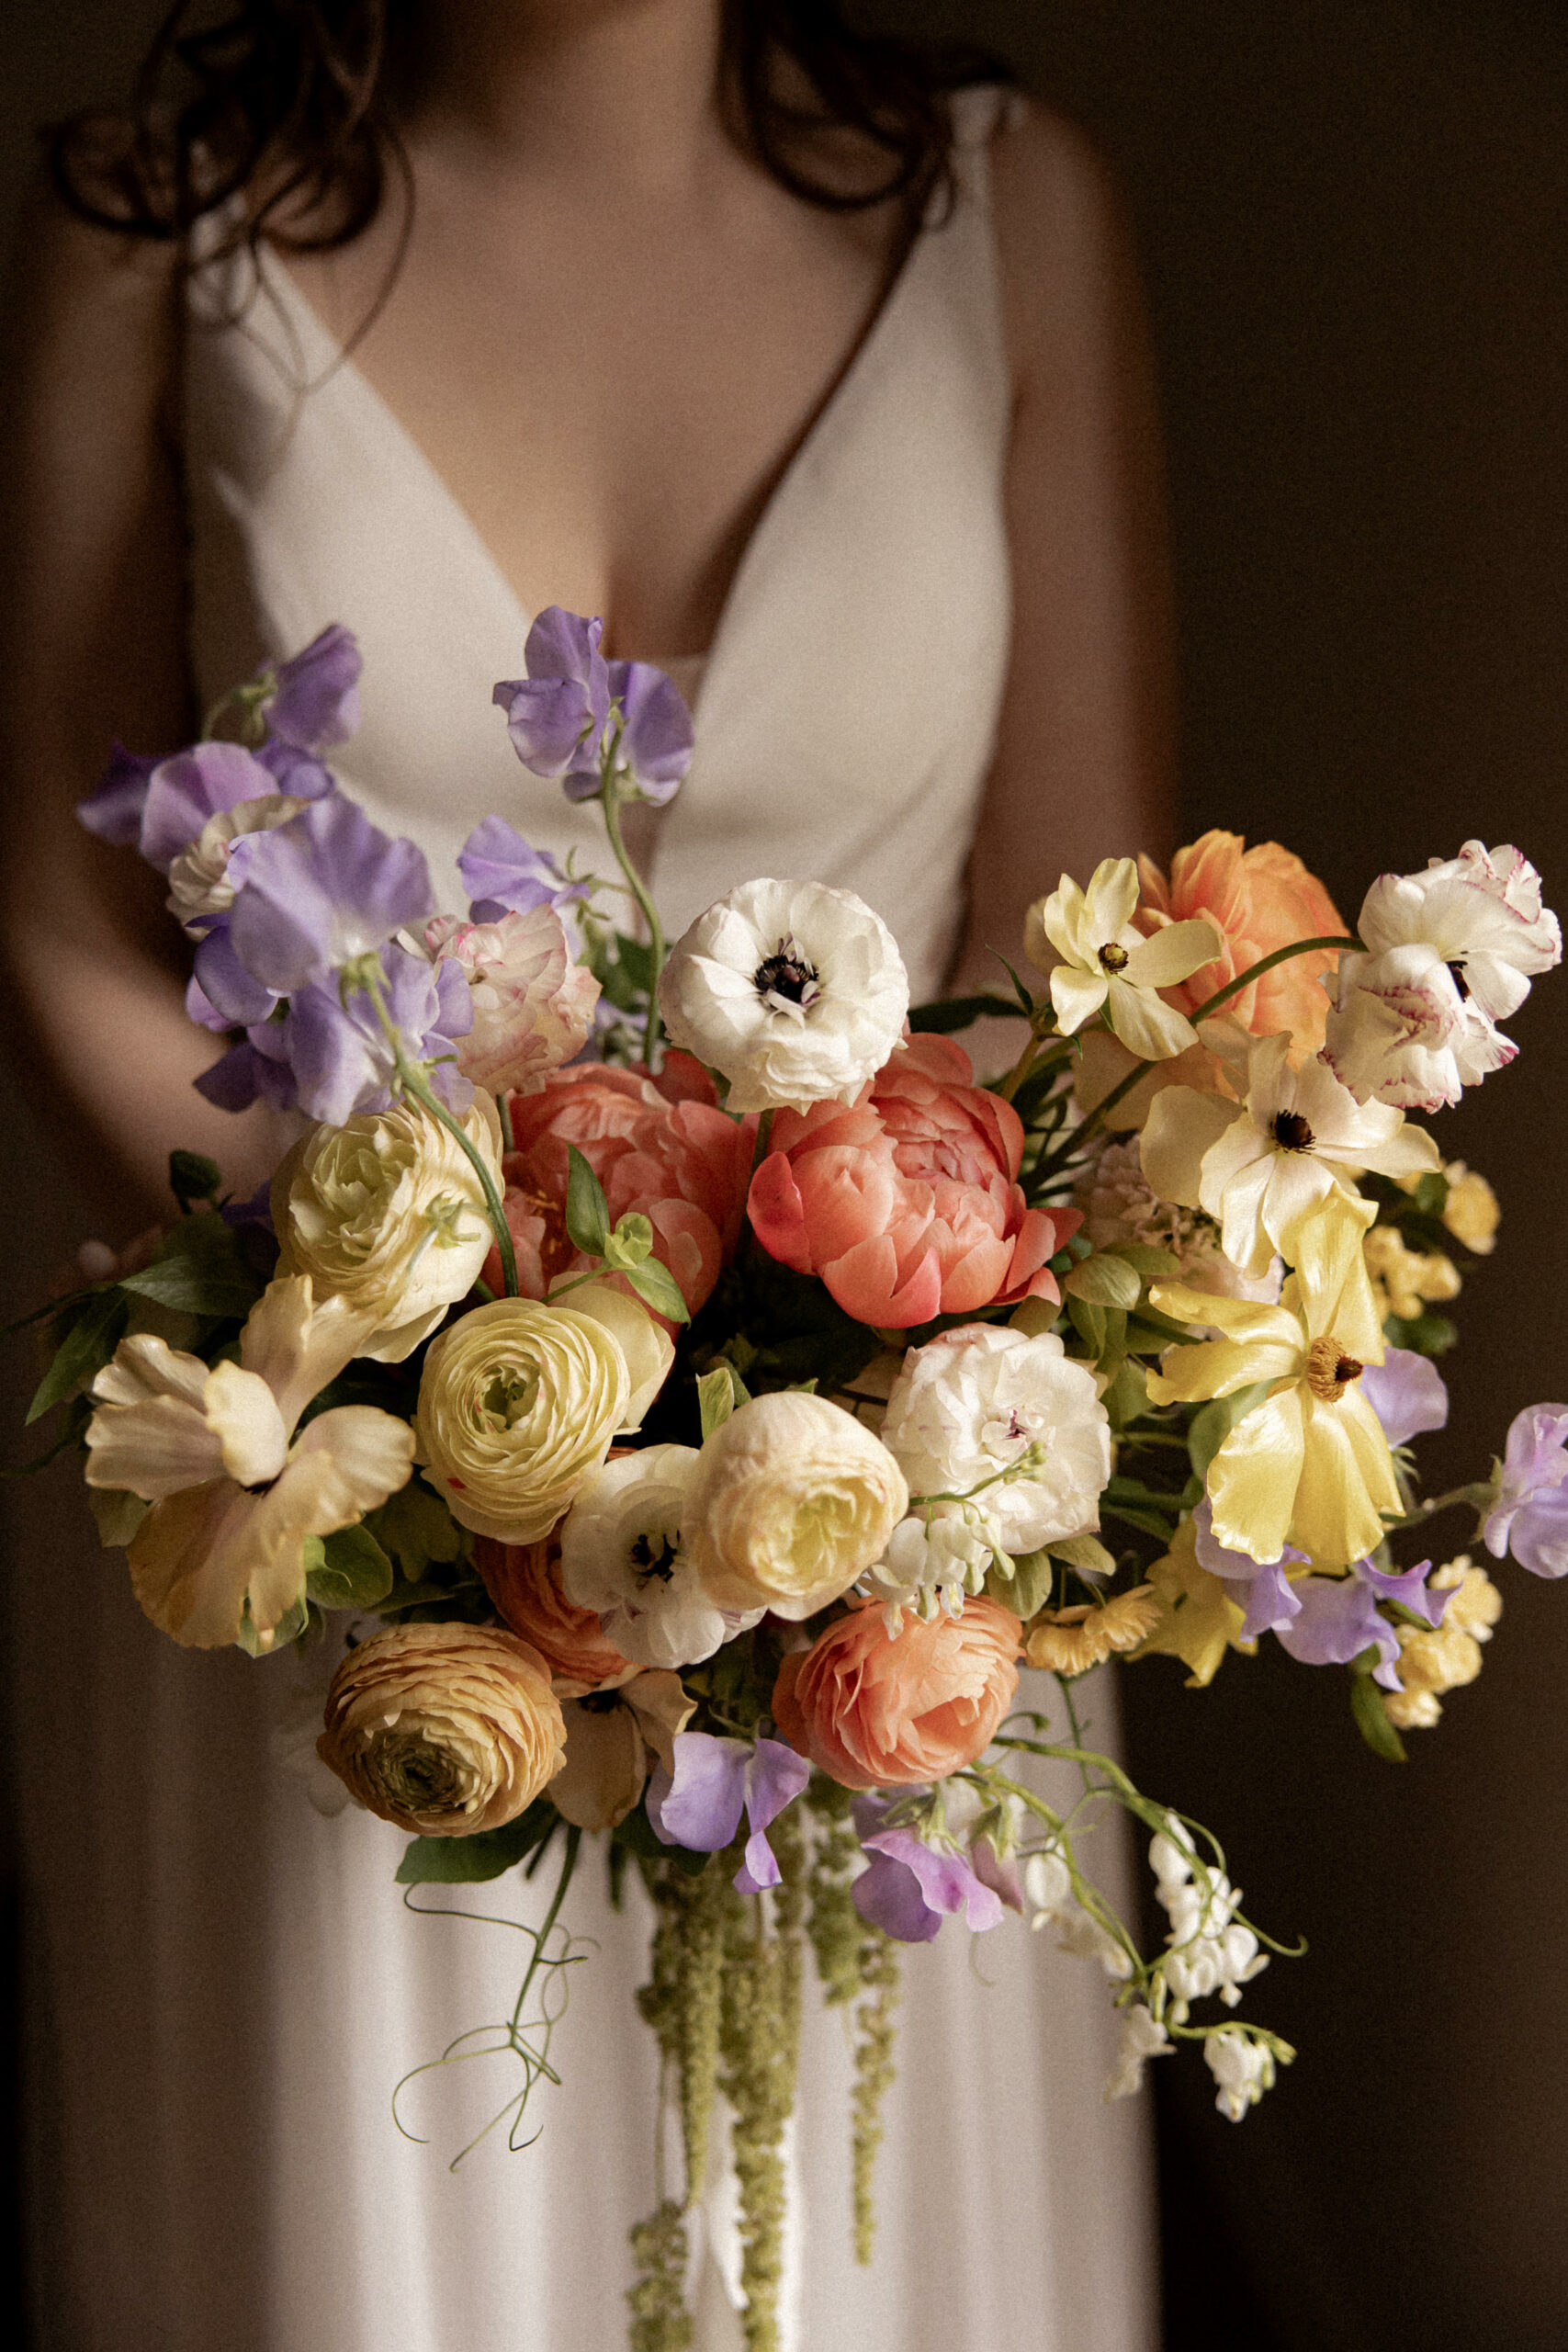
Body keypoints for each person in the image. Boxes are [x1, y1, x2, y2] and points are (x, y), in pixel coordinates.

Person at [0, 4, 1173, 2346]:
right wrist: (422, 1350)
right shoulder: (153, 232)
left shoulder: (1003, 212)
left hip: (882, 1513)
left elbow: (1085, 929)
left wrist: (838, 1383)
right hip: (344, 1501)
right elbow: (55, 900)